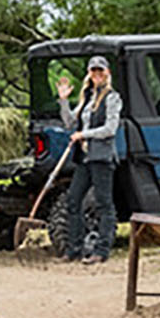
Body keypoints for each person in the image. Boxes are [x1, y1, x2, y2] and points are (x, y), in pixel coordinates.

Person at [56, 54, 122, 265]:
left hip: (101, 157)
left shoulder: (112, 98)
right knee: (73, 200)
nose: (97, 74)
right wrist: (64, 100)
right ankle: (74, 249)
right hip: (85, 158)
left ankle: (101, 251)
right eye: (93, 71)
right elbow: (68, 122)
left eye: (100, 70)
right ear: (89, 74)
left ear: (107, 73)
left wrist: (84, 135)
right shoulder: (87, 98)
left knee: (104, 204)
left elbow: (110, 129)